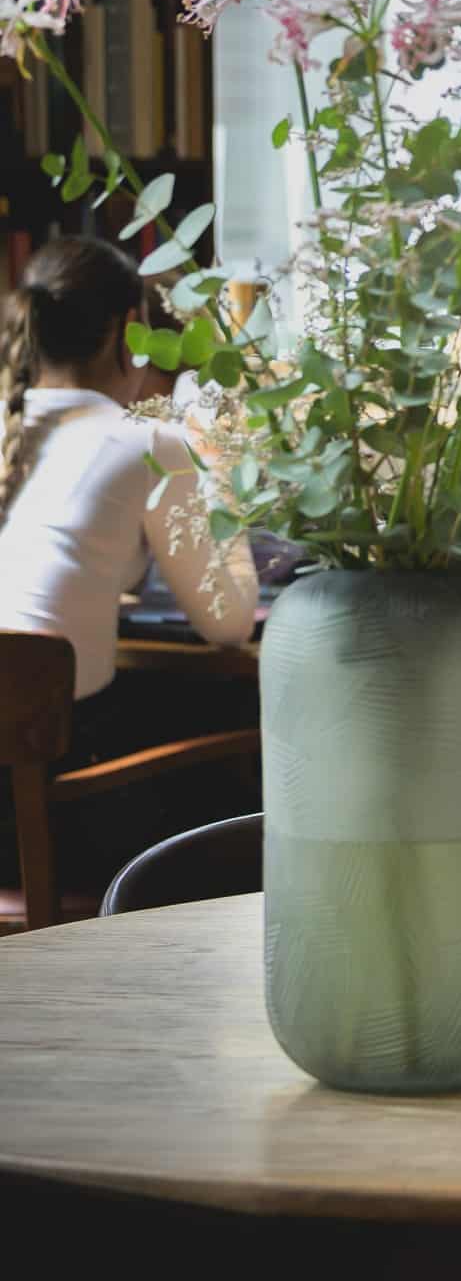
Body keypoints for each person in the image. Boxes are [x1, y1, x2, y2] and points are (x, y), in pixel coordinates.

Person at [0, 235, 260, 883]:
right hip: (54, 817)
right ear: (129, 333)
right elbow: (228, 623)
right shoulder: (147, 441)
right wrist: (219, 466)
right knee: (240, 746)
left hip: (11, 814)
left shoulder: (12, 427)